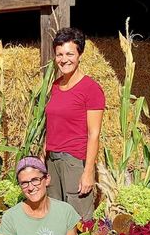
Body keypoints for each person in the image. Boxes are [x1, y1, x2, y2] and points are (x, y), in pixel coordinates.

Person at [43, 28, 105, 219]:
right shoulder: (55, 86)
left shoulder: (91, 89)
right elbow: (51, 125)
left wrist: (88, 172)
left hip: (74, 163)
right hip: (52, 161)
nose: (64, 59)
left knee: (78, 221)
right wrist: (43, 157)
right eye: (59, 54)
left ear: (80, 54)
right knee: (55, 219)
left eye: (70, 54)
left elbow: (94, 134)